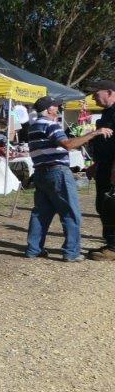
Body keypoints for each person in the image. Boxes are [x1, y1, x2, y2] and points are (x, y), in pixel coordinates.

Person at [24, 96, 111, 262]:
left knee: (40, 213)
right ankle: (71, 252)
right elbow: (68, 145)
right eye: (56, 106)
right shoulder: (50, 124)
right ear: (49, 109)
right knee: (70, 212)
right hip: (57, 172)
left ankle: (33, 249)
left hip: (41, 173)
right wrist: (94, 133)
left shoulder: (33, 126)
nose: (58, 108)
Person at [86, 81, 115, 260]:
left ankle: (112, 248)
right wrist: (95, 164)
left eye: (96, 93)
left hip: (113, 168)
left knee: (111, 206)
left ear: (110, 92)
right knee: (103, 205)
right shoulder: (106, 113)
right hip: (104, 166)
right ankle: (110, 243)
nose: (93, 97)